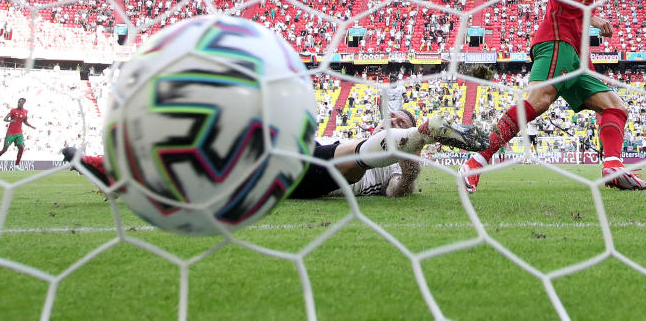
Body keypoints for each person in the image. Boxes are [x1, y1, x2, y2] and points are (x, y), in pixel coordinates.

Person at [460, 0, 646, 192]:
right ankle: (475, 162)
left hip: (575, 55)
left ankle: (613, 167)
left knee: (615, 106)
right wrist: (592, 17)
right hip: (556, 42)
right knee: (538, 101)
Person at [62, 111, 486, 199]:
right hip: (313, 165)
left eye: (400, 120)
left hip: (331, 174)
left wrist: (411, 159)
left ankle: (119, 172)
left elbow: (399, 189)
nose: (389, 116)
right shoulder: (365, 137)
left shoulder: (394, 168)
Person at [0, 97, 35, 171]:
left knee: (22, 147)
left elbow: (25, 121)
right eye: (18, 102)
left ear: (23, 103)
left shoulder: (25, 112)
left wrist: (31, 126)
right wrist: (11, 120)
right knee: (4, 149)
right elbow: (5, 119)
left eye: (20, 102)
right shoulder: (13, 110)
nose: (19, 103)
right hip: (10, 133)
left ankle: (16, 166)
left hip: (19, 133)